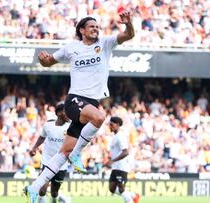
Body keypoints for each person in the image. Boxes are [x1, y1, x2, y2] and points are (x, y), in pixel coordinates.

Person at [24, 10, 135, 203]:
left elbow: (129, 35)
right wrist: (43, 60)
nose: (96, 29)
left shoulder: (105, 43)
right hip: (75, 100)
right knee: (100, 118)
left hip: (91, 102)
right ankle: (76, 154)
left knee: (62, 153)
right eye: (91, 26)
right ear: (82, 30)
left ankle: (33, 188)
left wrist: (129, 24)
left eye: (97, 27)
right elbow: (49, 62)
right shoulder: (71, 48)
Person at [29, 103, 71, 203]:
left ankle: (58, 199)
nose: (68, 114)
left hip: (61, 164)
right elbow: (42, 137)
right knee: (42, 189)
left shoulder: (70, 127)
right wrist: (35, 147)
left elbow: (74, 142)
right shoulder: (48, 125)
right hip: (46, 161)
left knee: (54, 192)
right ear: (59, 113)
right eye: (66, 112)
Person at [107, 117, 140, 203]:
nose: (109, 126)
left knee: (121, 189)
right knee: (112, 189)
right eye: (109, 124)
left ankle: (130, 200)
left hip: (121, 167)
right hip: (115, 167)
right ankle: (133, 195)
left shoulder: (120, 137)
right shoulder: (115, 136)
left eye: (111, 124)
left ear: (117, 125)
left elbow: (126, 152)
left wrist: (113, 160)